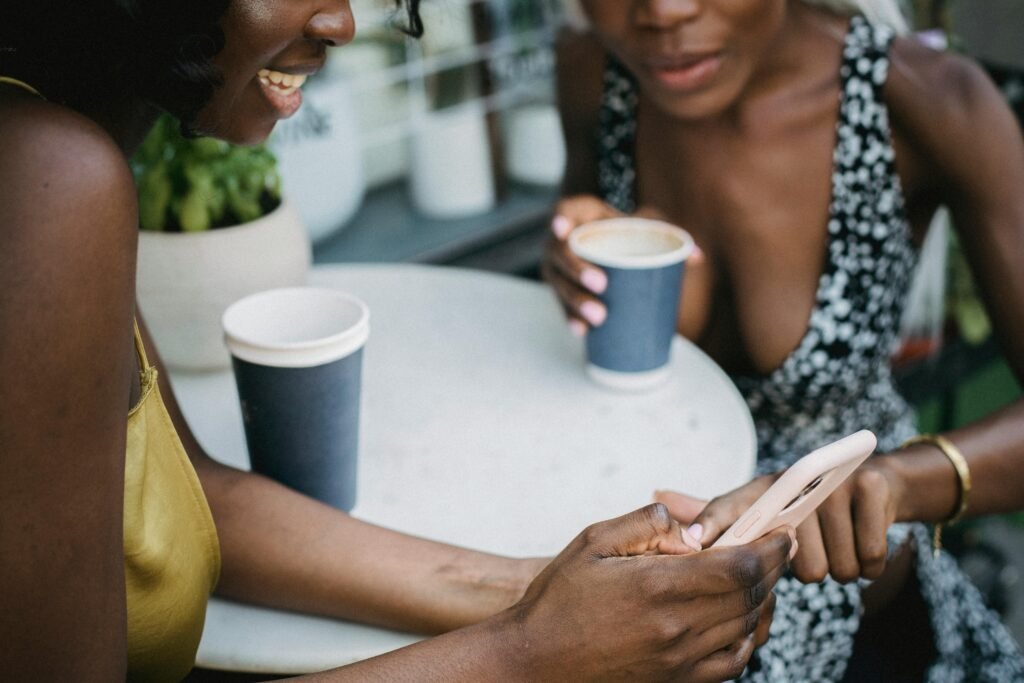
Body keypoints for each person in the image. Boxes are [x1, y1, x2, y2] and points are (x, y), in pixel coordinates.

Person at [0, 0, 798, 681]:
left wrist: (541, 587)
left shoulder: (49, 153)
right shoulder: (46, 181)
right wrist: (527, 654)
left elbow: (193, 497)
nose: (342, 21)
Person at [544, 0, 1024, 680]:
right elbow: (587, 249)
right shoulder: (596, 71)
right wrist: (569, 257)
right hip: (641, 519)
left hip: (854, 582)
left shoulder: (925, 100)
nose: (663, 12)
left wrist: (892, 483)